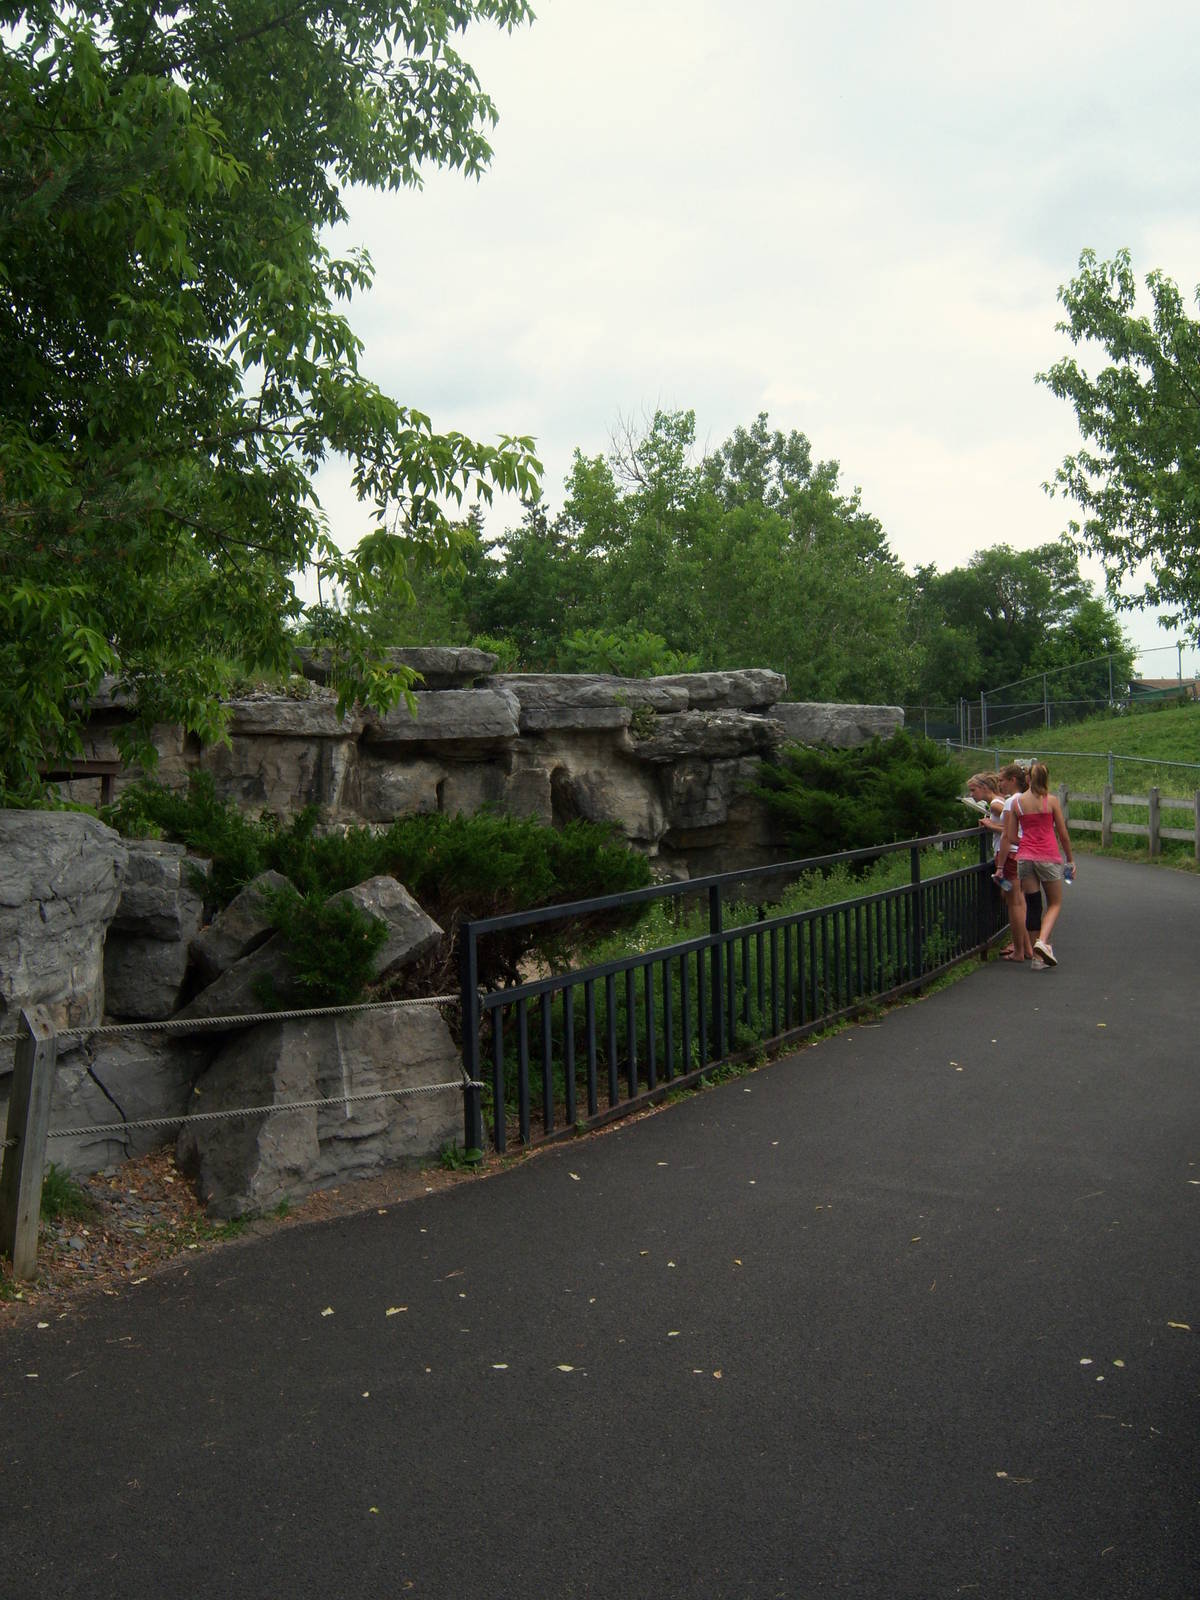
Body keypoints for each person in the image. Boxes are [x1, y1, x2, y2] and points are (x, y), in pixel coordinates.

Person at [994, 760, 1076, 968]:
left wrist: (1027, 844)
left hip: (1024, 858)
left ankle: (1037, 959)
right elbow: (1063, 835)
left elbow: (1010, 836)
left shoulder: (1018, 803)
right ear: (1046, 779)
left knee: (1033, 904)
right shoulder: (1051, 801)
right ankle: (1043, 942)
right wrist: (1070, 859)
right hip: (1048, 856)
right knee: (1055, 903)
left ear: (1029, 779)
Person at [990, 764, 1034, 962]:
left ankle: (1018, 950)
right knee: (1022, 901)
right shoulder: (1027, 800)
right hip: (1026, 854)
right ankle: (1028, 947)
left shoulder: (1010, 803)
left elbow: (1007, 836)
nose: (999, 784)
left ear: (1013, 780)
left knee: (1014, 903)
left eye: (1002, 780)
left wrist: (1000, 865)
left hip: (1011, 857)